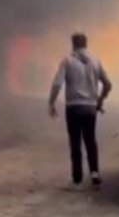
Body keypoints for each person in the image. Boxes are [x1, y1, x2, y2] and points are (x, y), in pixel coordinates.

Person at [48, 32, 113, 189]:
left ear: (73, 44)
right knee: (90, 141)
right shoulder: (96, 61)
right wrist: (100, 100)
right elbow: (108, 84)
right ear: (86, 44)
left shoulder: (67, 61)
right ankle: (95, 173)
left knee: (75, 143)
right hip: (90, 108)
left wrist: (51, 102)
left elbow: (57, 83)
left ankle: (77, 179)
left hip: (74, 108)